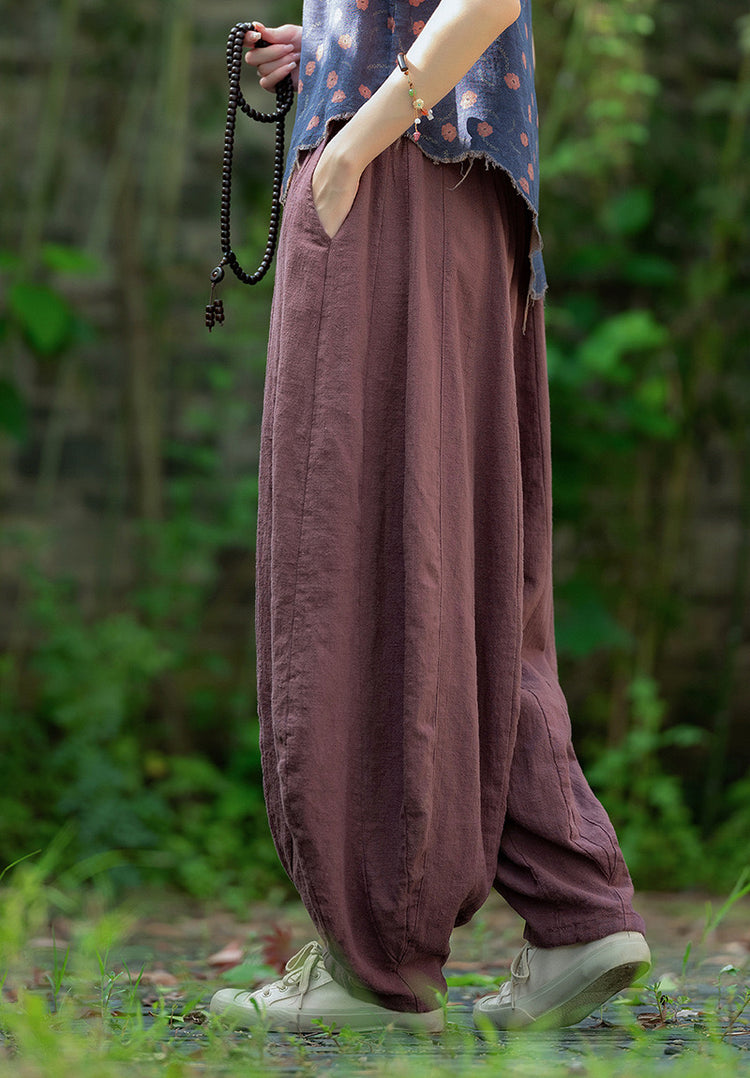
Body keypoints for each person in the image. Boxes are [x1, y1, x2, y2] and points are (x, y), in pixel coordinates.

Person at [210, 0, 650, 1034]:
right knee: (466, 559)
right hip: (459, 186)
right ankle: (574, 908)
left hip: (391, 175)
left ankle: (379, 961)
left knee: (358, 550)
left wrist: (353, 144)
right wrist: (331, 47)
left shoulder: (370, 152)